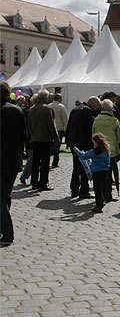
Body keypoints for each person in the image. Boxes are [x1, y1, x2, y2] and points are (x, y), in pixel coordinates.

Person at [1, 81, 27, 246]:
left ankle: (7, 231)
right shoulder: (17, 110)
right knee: (6, 196)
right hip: (13, 158)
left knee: (2, 197)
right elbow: (24, 136)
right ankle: (3, 226)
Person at [65, 97, 99, 198]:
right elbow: (91, 128)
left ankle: (74, 189)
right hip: (84, 143)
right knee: (85, 167)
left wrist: (68, 141)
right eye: (97, 106)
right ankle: (84, 190)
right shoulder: (88, 112)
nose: (96, 109)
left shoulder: (75, 109)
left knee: (76, 167)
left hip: (74, 142)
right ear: (92, 104)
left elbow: (69, 126)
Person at [27, 89, 59, 191]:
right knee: (45, 162)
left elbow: (29, 125)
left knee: (36, 161)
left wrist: (31, 136)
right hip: (45, 139)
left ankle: (34, 182)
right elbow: (51, 125)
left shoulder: (31, 109)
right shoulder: (46, 109)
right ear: (45, 98)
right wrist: (56, 138)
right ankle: (43, 182)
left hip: (35, 138)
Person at [92, 99, 120, 203]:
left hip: (99, 150)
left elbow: (93, 133)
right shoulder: (115, 121)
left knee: (100, 173)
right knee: (109, 173)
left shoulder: (97, 120)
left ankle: (100, 194)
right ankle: (108, 195)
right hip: (112, 151)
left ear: (102, 108)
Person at [75, 133, 111, 214]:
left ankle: (99, 205)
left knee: (97, 189)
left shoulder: (95, 151)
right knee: (102, 187)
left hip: (97, 171)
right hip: (105, 171)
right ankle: (103, 200)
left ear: (96, 142)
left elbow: (84, 156)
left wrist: (77, 150)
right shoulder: (106, 149)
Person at [49, 93, 68, 168]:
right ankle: (55, 162)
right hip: (59, 128)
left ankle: (47, 160)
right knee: (57, 146)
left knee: (50, 145)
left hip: (50, 128)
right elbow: (65, 119)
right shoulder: (61, 107)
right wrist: (66, 128)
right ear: (59, 99)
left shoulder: (49, 106)